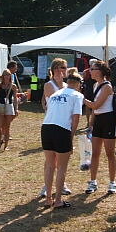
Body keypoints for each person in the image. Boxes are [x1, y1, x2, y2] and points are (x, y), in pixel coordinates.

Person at [41, 72, 84, 208]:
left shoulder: (56, 93)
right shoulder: (77, 95)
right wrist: (70, 138)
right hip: (62, 129)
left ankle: (48, 198)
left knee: (50, 165)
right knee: (61, 167)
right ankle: (58, 200)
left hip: (46, 127)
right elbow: (76, 118)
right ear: (78, 84)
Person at [38, 58, 72, 198]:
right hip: (51, 124)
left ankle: (61, 184)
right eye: (57, 68)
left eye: (62, 67)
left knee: (62, 159)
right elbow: (56, 98)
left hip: (65, 125)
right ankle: (47, 186)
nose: (60, 70)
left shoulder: (68, 85)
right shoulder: (49, 85)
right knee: (50, 160)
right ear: (52, 70)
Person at [83, 60, 116, 195]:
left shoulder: (107, 86)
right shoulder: (95, 85)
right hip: (98, 120)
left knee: (110, 153)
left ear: (100, 71)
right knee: (95, 153)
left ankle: (112, 182)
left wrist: (81, 99)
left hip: (108, 120)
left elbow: (96, 105)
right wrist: (90, 125)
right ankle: (93, 181)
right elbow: (94, 110)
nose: (90, 71)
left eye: (92, 69)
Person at [0, 69, 19, 150]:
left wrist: (16, 109)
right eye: (5, 75)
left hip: (9, 106)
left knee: (7, 127)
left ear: (10, 76)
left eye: (8, 75)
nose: (7, 76)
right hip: (0, 106)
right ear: (3, 76)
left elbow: (15, 98)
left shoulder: (13, 86)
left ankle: (5, 146)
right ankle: (0, 138)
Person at [82, 58, 98, 128]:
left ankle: (88, 122)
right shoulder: (97, 71)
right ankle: (92, 122)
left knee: (87, 107)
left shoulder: (85, 71)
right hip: (95, 89)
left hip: (88, 90)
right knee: (94, 106)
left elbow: (83, 80)